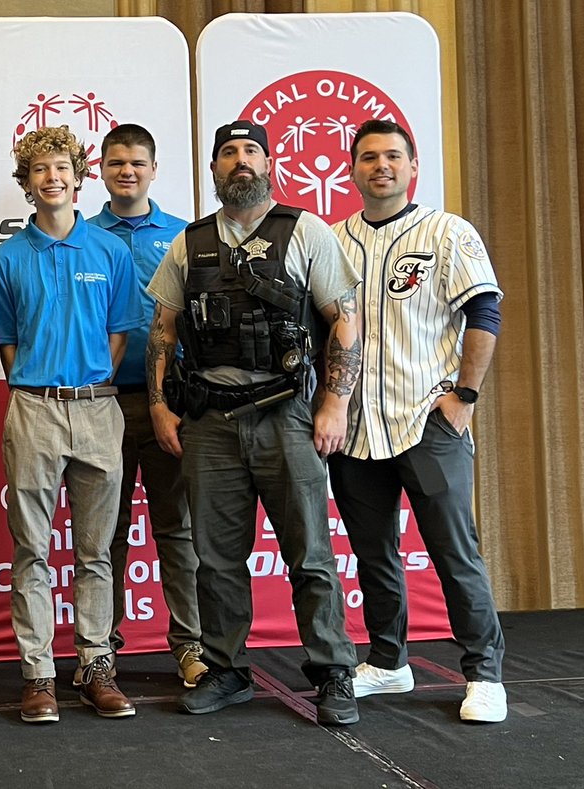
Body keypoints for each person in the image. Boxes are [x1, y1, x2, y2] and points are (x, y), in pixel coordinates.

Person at [146, 120, 362, 726]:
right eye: (228, 153)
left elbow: (343, 321)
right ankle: (226, 671)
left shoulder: (306, 231)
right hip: (210, 420)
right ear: (213, 169)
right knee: (215, 559)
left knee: (310, 555)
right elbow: (163, 330)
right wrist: (161, 404)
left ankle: (333, 673)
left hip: (287, 415)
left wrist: (335, 404)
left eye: (250, 151)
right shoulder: (189, 243)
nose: (239, 161)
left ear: (269, 164)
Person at [330, 119, 507, 723]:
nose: (381, 165)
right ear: (351, 169)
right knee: (373, 552)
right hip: (355, 428)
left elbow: (485, 310)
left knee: (454, 551)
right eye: (369, 157)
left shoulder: (446, 231)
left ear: (413, 167)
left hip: (428, 417)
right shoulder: (332, 240)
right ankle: (387, 660)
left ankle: (484, 673)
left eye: (392, 156)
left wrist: (466, 396)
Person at [0, 125, 143, 724]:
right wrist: (41, 385)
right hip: (33, 408)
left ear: (79, 176)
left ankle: (96, 666)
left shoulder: (111, 252)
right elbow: (6, 343)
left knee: (97, 551)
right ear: (26, 184)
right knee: (32, 550)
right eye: (39, 170)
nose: (52, 178)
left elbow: (120, 333)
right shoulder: (5, 259)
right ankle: (38, 675)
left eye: (61, 168)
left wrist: (87, 384)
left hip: (100, 408)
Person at [86, 123, 203, 687]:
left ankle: (191, 647)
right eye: (115, 163)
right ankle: (101, 649)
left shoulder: (186, 236)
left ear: (154, 169)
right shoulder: (82, 238)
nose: (126, 171)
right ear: (100, 171)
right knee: (104, 533)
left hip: (171, 406)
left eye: (137, 162)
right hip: (101, 403)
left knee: (175, 530)